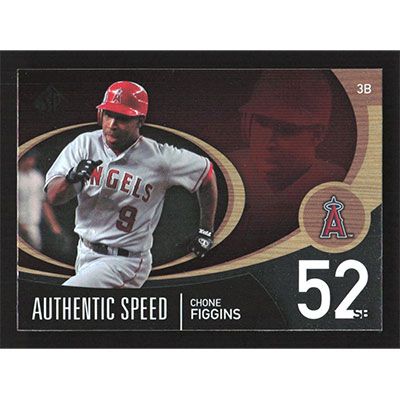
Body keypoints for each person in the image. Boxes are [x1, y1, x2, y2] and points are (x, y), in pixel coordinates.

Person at [45, 81, 218, 288]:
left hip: (125, 262)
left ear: (140, 121)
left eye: (122, 118)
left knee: (66, 302)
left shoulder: (160, 159)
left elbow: (206, 174)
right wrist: (71, 178)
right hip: (84, 252)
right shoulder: (85, 144)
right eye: (108, 114)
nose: (112, 124)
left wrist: (206, 230)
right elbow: (53, 197)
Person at [230, 70, 346, 246]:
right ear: (248, 121)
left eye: (286, 129)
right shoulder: (224, 170)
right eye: (262, 122)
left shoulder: (337, 185)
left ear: (317, 134)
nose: (269, 141)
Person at [18, 151, 62, 250]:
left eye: (33, 159)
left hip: (33, 225)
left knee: (35, 251)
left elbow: (43, 202)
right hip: (17, 225)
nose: (31, 162)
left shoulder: (36, 177)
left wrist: (53, 224)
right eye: (28, 159)